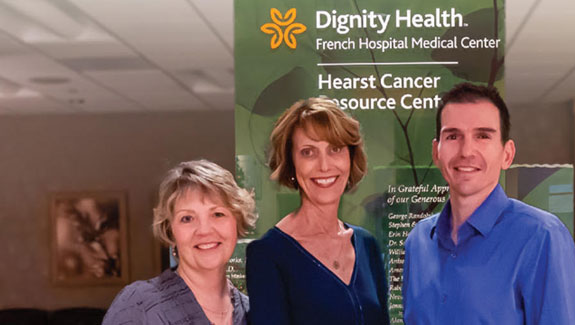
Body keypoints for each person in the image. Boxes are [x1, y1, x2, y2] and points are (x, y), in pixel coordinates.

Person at [403, 82, 575, 324]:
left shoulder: (541, 236)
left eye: (482, 136)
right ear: (437, 152)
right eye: (453, 136)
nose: (466, 151)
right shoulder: (418, 241)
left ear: (507, 154)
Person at [245, 98, 388, 324]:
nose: (324, 165)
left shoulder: (366, 244)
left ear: (350, 158)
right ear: (291, 163)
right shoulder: (268, 255)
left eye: (335, 149)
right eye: (308, 152)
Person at [104, 159, 258, 325]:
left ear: (237, 221)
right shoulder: (138, 306)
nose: (204, 230)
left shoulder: (254, 313)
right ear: (171, 230)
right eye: (187, 218)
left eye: (218, 214)